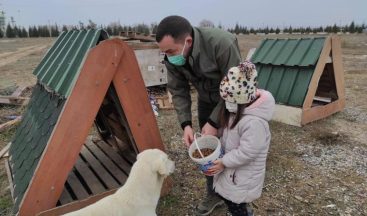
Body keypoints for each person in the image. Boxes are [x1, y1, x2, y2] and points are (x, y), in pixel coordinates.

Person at [156, 15, 242, 215]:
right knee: (208, 149)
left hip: (234, 100)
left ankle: (237, 195)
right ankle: (214, 194)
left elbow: (235, 87)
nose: (168, 57)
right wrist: (186, 124)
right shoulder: (172, 58)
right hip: (206, 100)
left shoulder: (222, 43)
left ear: (188, 42)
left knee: (233, 146)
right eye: (164, 52)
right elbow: (178, 90)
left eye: (170, 51)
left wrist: (214, 121)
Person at [206, 61, 275, 216]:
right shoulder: (236, 112)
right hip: (234, 172)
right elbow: (230, 133)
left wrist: (223, 161)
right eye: (226, 101)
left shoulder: (255, 123)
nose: (228, 104)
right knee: (231, 202)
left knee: (236, 206)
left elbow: (247, 152)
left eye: (231, 101)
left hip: (242, 177)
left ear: (244, 99)